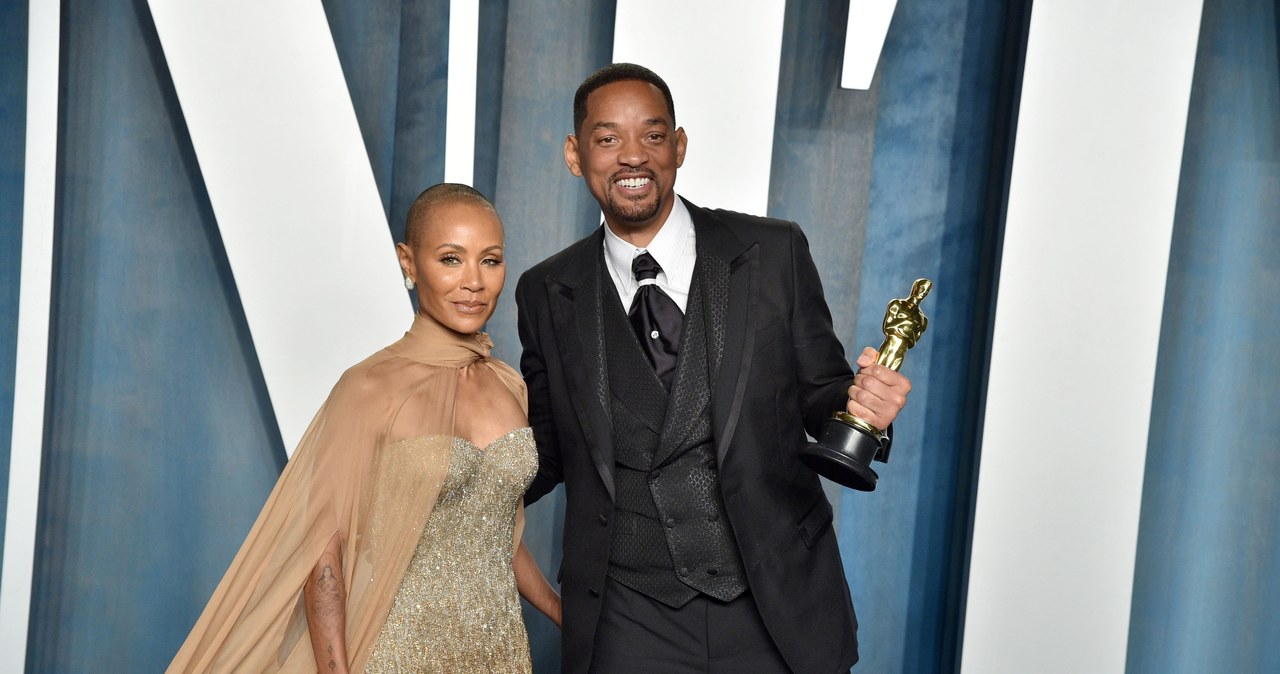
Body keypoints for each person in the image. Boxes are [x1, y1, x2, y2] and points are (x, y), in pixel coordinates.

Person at [516, 64, 912, 673]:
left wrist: (867, 410)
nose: (632, 157)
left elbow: (822, 393)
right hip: (627, 617)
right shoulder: (546, 290)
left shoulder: (773, 253)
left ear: (678, 147)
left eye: (652, 136)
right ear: (575, 154)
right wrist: (446, 470)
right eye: (607, 138)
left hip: (772, 601)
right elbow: (547, 450)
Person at [169, 184, 561, 673]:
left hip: (499, 651)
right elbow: (322, 555)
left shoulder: (509, 385)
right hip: (398, 650)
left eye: (491, 260)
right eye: (450, 259)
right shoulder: (368, 388)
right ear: (409, 262)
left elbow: (492, 532)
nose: (474, 282)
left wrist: (565, 613)